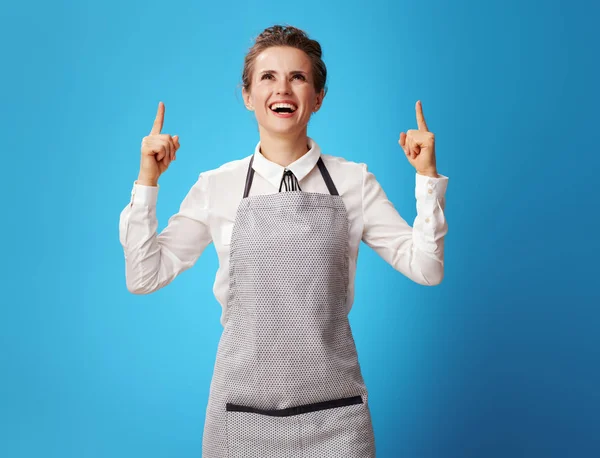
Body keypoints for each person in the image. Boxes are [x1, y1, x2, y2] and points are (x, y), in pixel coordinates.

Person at [119, 24, 448, 458]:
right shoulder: (217, 186)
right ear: (247, 95)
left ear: (318, 96)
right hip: (240, 419)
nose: (284, 88)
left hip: (337, 420)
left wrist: (426, 178)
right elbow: (144, 276)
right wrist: (147, 182)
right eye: (268, 77)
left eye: (298, 77)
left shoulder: (354, 182)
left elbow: (426, 268)